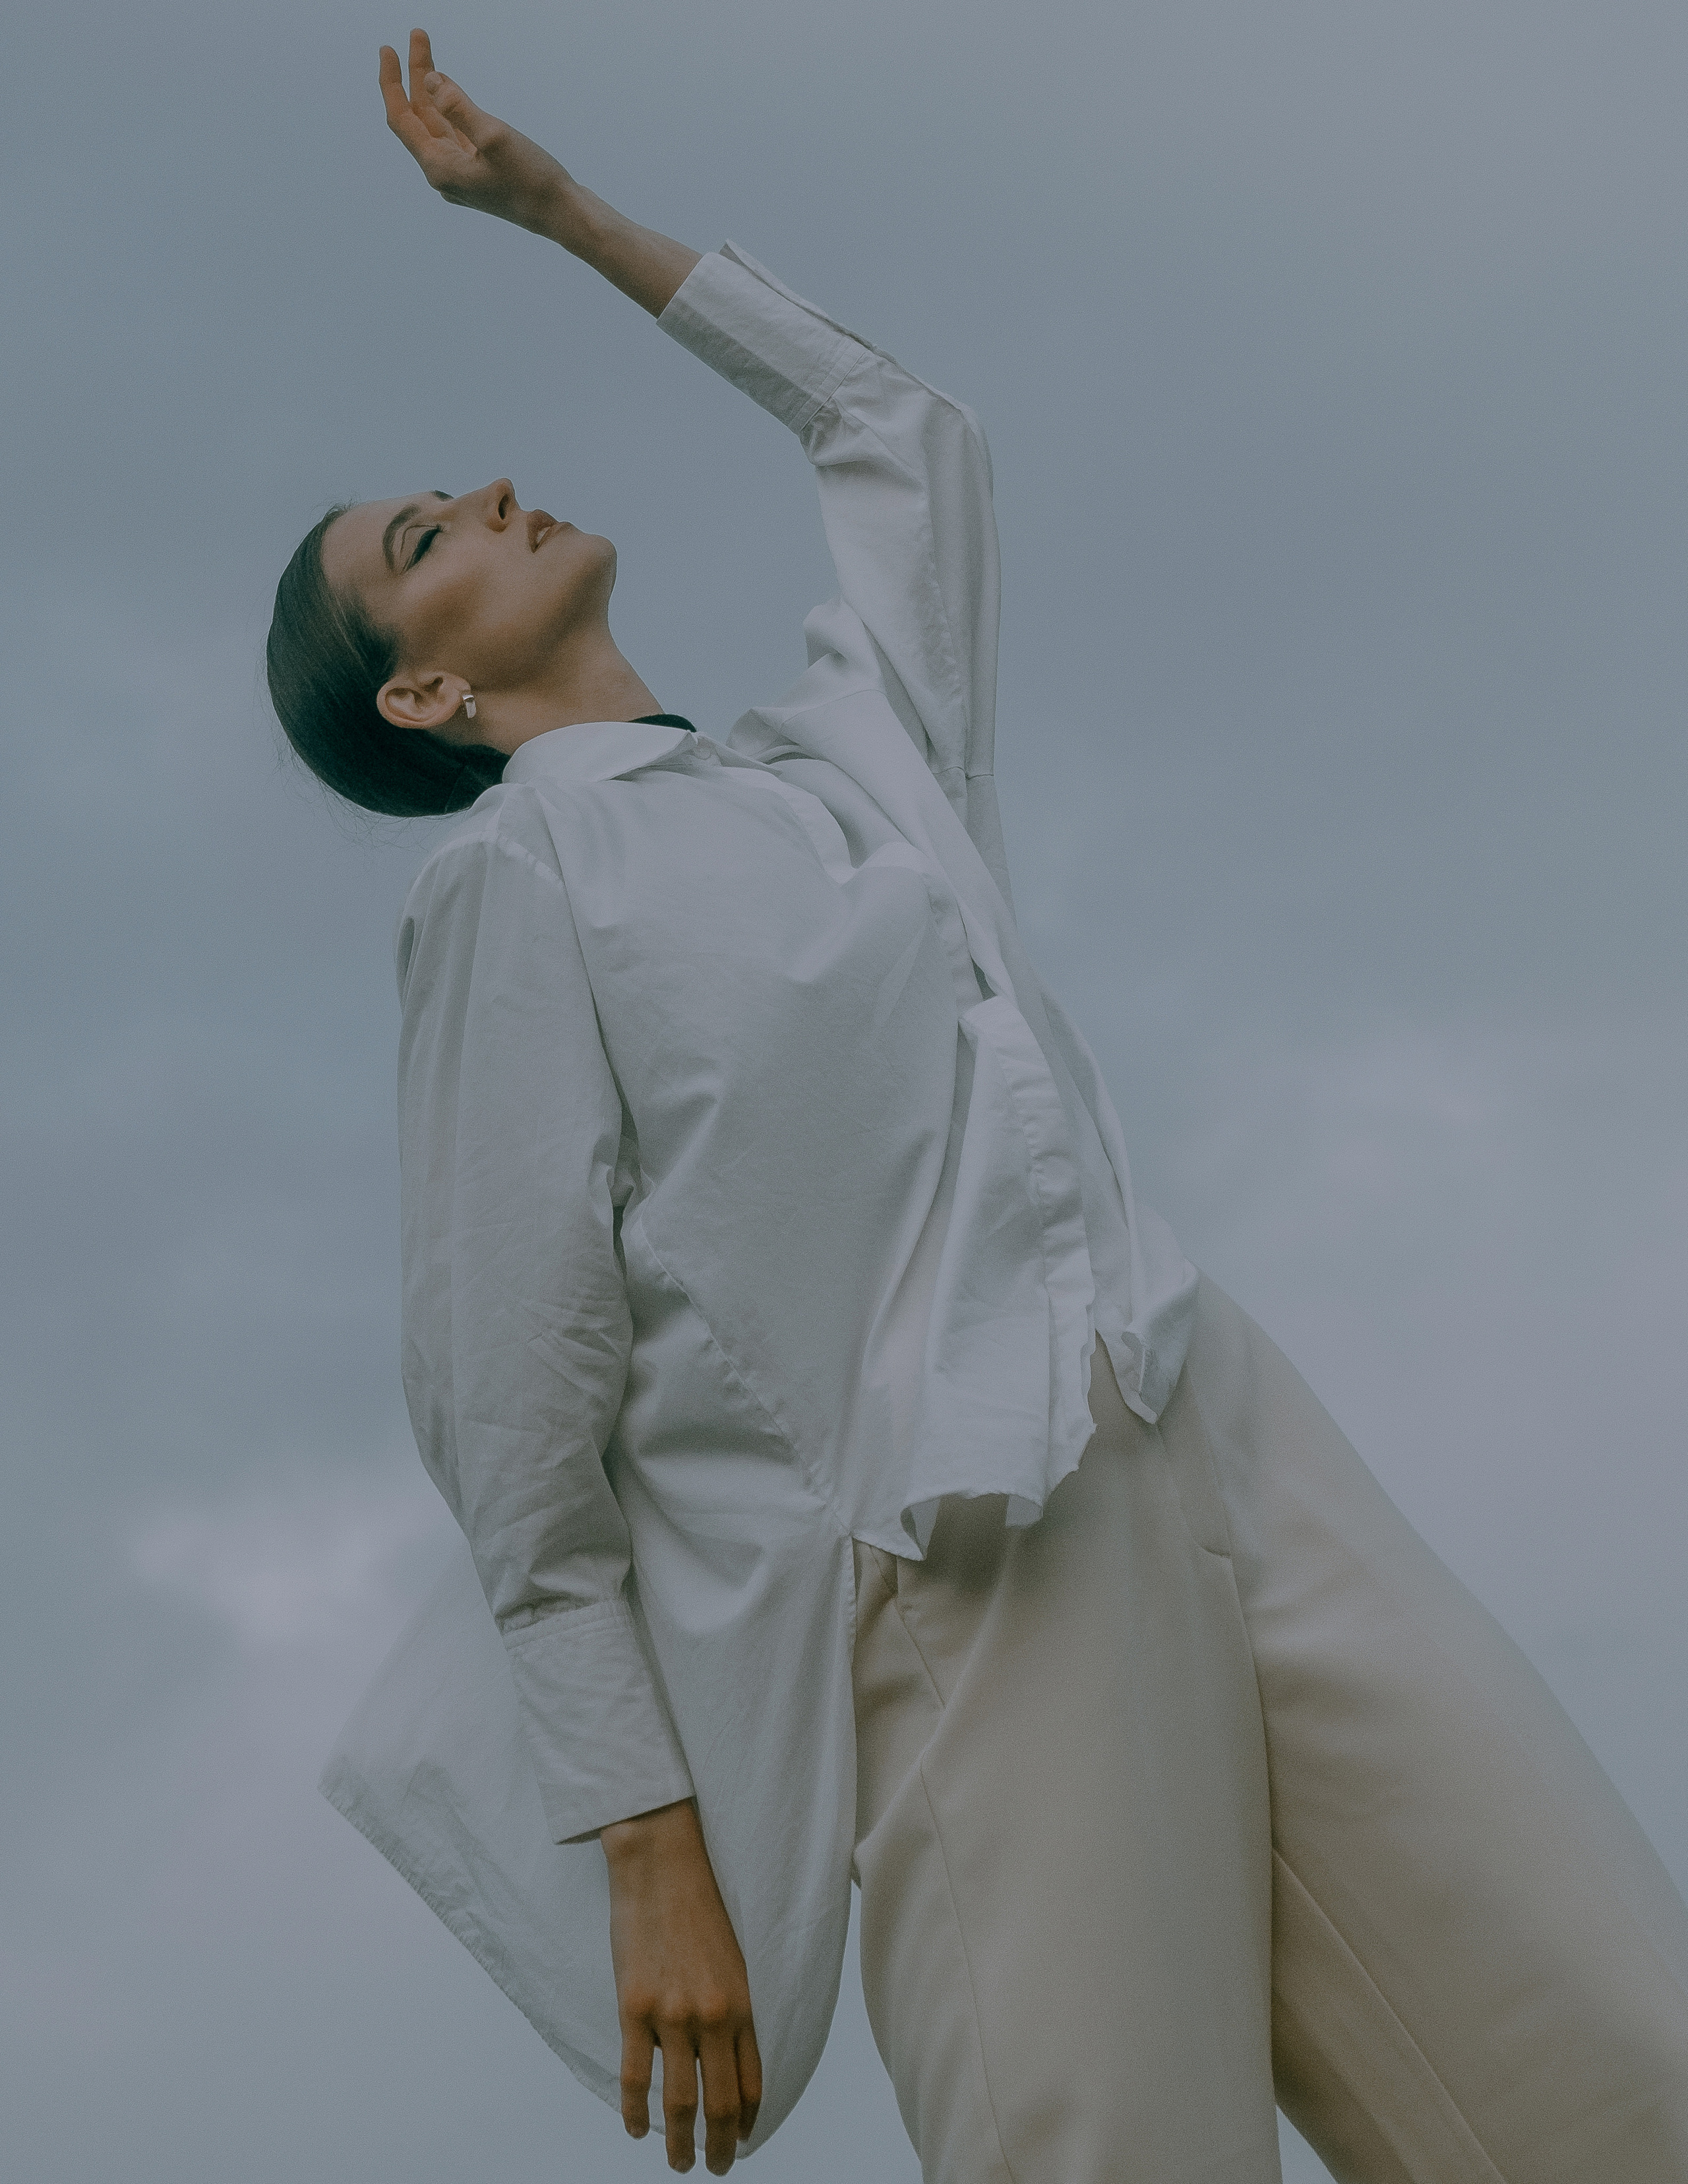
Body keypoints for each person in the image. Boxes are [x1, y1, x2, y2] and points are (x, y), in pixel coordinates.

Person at [270, 33, 1688, 2183]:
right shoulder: (518, 881)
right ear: (426, 693)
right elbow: (507, 1397)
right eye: (423, 534)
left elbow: (901, 434)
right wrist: (640, 1832)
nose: (481, 490)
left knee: (1613, 2068)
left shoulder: (855, 749)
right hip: (961, 1556)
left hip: (1220, 1425)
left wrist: (567, 219)